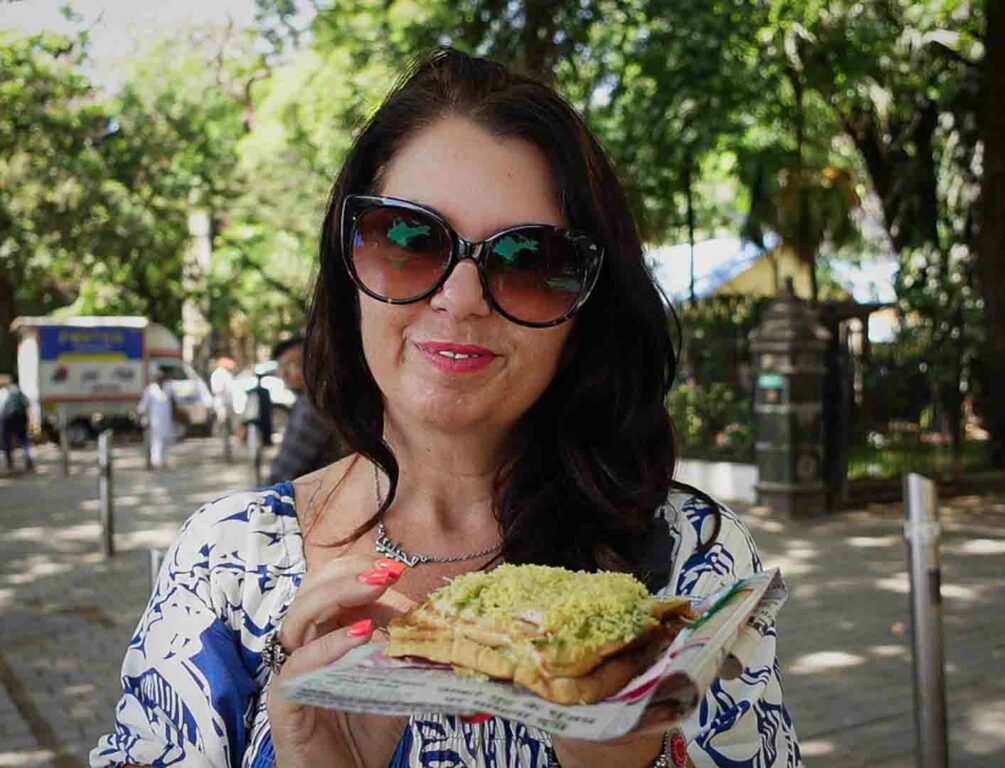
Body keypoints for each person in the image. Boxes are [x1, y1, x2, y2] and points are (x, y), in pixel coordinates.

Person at [92, 50, 800, 768]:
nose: (460, 299)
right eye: (407, 240)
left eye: (529, 261)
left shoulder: (690, 567)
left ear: (586, 307)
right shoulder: (228, 563)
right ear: (347, 269)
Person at [266, 335, 345, 485]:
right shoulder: (315, 398)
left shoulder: (313, 405)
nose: (284, 374)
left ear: (312, 362)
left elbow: (288, 467)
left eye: (292, 365)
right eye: (281, 368)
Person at [137, 365, 177, 468]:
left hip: (167, 419)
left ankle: (165, 461)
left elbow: (173, 403)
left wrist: (175, 416)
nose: (160, 380)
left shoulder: (169, 387)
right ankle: (156, 461)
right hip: (155, 420)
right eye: (157, 378)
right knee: (157, 440)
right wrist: (141, 417)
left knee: (167, 439)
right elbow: (143, 406)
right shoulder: (150, 390)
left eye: (161, 377)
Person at [1, 374, 33, 472]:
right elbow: (27, 403)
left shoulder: (2, 392)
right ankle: (27, 456)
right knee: (23, 438)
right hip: (21, 417)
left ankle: (10, 462)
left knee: (6, 440)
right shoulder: (17, 390)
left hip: (8, 418)